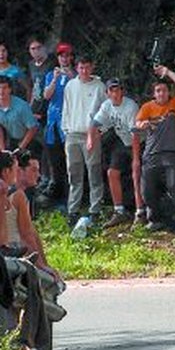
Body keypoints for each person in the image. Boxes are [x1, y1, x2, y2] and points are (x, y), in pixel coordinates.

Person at [135, 64, 175, 235]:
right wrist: (142, 124)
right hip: (151, 154)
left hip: (171, 153)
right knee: (147, 190)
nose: (161, 93)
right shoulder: (146, 107)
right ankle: (155, 220)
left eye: (164, 90)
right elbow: (137, 125)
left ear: (168, 92)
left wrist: (167, 72)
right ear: (154, 94)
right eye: (158, 91)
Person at [88, 78, 144, 228]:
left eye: (117, 90)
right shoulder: (106, 106)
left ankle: (141, 212)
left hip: (138, 142)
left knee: (136, 173)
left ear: (122, 92)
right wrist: (90, 139)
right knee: (112, 172)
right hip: (122, 141)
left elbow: (136, 134)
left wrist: (136, 158)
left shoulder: (130, 107)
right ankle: (119, 211)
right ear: (107, 93)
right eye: (111, 90)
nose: (115, 93)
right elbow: (95, 123)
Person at [0, 150, 60, 281]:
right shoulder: (16, 195)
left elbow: (31, 233)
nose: (38, 175)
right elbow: (27, 234)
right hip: (12, 251)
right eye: (33, 170)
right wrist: (42, 266)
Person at [62, 55, 106, 224]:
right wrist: (66, 128)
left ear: (92, 67)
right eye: (81, 68)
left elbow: (105, 111)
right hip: (72, 134)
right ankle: (73, 210)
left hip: (91, 134)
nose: (84, 71)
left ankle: (95, 209)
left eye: (87, 67)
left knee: (94, 171)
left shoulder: (99, 87)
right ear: (77, 68)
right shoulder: (70, 85)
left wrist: (98, 131)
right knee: (74, 173)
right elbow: (66, 108)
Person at [40, 42, 74, 206]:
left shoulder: (76, 75)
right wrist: (55, 78)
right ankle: (58, 196)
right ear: (58, 58)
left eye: (67, 55)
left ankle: (71, 198)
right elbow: (46, 95)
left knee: (70, 161)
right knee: (55, 160)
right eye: (61, 55)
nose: (64, 58)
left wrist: (69, 77)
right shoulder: (50, 75)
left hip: (68, 124)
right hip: (53, 123)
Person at [26, 37, 53, 188]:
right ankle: (37, 178)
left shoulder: (50, 64)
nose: (36, 51)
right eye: (32, 49)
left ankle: (48, 179)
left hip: (47, 111)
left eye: (38, 47)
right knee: (36, 146)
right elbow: (31, 88)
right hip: (34, 109)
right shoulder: (31, 65)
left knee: (48, 146)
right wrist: (29, 109)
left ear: (44, 48)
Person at [0, 76, 38, 152]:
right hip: (10, 139)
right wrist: (2, 149)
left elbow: (33, 129)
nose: (1, 91)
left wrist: (20, 148)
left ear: (10, 90)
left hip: (30, 140)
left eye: (4, 88)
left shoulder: (22, 106)